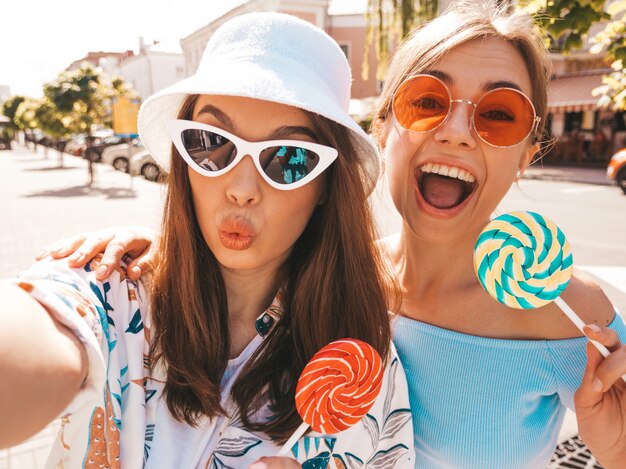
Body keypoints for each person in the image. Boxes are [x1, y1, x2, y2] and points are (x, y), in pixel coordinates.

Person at [36, 2, 626, 468]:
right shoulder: (331, 288)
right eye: (427, 101)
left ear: (527, 152)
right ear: (383, 127)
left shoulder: (571, 313)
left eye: (499, 114)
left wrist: (618, 452)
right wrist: (164, 244)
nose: (456, 132)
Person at [0, 13, 415, 469]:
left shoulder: (364, 364)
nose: (241, 187)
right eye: (209, 142)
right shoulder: (112, 295)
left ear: (325, 188)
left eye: (290, 159)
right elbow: (38, 332)